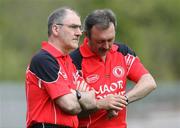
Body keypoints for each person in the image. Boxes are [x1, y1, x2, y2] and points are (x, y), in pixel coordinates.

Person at [70, 9, 157, 128]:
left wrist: (121, 101)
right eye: (100, 41)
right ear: (87, 35)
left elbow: (149, 82)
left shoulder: (123, 52)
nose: (106, 46)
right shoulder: (73, 62)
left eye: (110, 40)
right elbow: (69, 109)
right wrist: (100, 104)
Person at [25, 7, 98, 128]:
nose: (79, 32)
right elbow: (70, 105)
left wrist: (73, 94)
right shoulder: (43, 59)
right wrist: (80, 95)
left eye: (80, 28)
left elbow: (92, 100)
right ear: (56, 29)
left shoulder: (68, 61)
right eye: (73, 27)